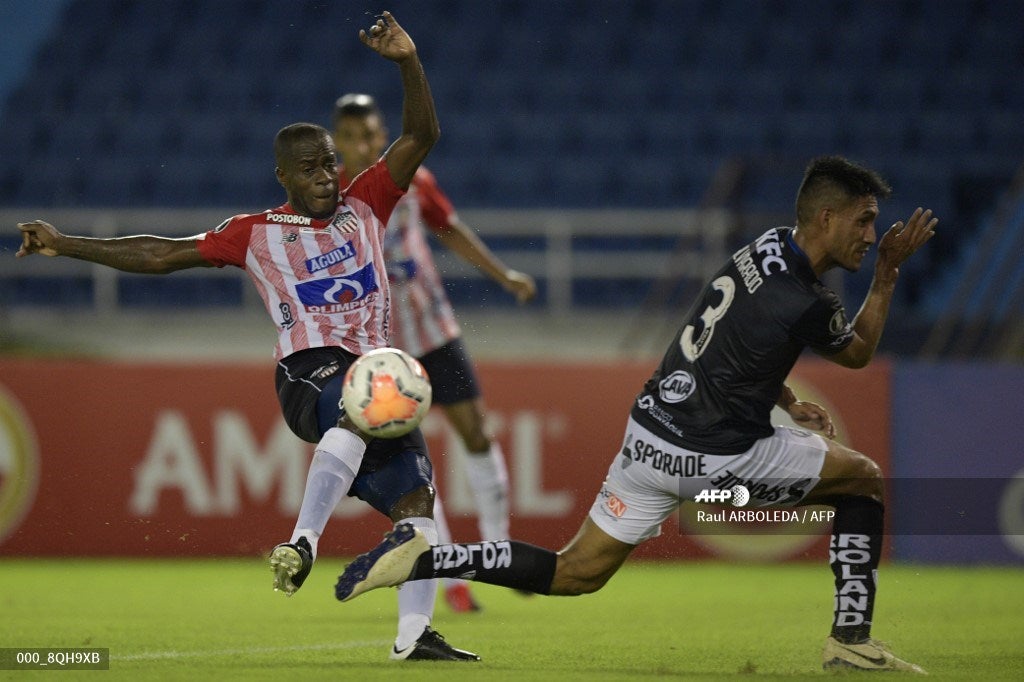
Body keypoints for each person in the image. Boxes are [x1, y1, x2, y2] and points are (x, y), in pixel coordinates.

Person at [331, 156, 936, 673]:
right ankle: (850, 642)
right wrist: (886, 275)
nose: (869, 234)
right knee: (862, 480)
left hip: (649, 437)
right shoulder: (805, 298)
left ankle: (429, 557)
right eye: (864, 221)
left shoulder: (768, 247)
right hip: (715, 456)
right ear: (826, 218)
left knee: (575, 571)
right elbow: (856, 353)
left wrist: (782, 399)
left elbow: (735, 336)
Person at [16, 12, 478, 663]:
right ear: (283, 179)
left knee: (419, 499)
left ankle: (413, 638)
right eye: (310, 169)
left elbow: (422, 132)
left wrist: (408, 60)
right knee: (359, 396)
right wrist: (65, 244)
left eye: (329, 164)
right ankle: (305, 542)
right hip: (307, 373)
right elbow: (158, 255)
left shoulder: (368, 201)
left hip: (371, 374)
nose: (325, 176)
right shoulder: (255, 232)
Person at [331, 92, 537, 612]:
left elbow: (450, 229)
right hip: (379, 347)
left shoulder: (412, 179)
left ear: (381, 136)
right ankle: (453, 581)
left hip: (433, 326)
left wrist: (503, 274)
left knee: (477, 433)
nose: (364, 143)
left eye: (371, 134)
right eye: (352, 136)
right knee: (414, 462)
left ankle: (498, 550)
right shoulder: (329, 195)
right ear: (337, 141)